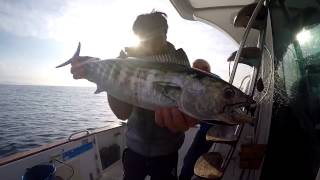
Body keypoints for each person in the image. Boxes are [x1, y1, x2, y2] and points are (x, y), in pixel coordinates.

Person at [70, 11, 198, 180]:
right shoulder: (126, 62)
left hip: (167, 151)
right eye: (145, 40)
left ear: (165, 34)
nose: (151, 46)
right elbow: (121, 113)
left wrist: (185, 120)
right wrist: (106, 77)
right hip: (134, 149)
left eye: (156, 38)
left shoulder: (180, 64)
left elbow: (187, 108)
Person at [179, 59, 218, 180]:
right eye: (194, 69)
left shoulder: (211, 83)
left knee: (190, 160)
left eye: (197, 69)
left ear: (206, 69)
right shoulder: (213, 81)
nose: (195, 73)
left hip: (209, 129)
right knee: (192, 160)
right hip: (208, 128)